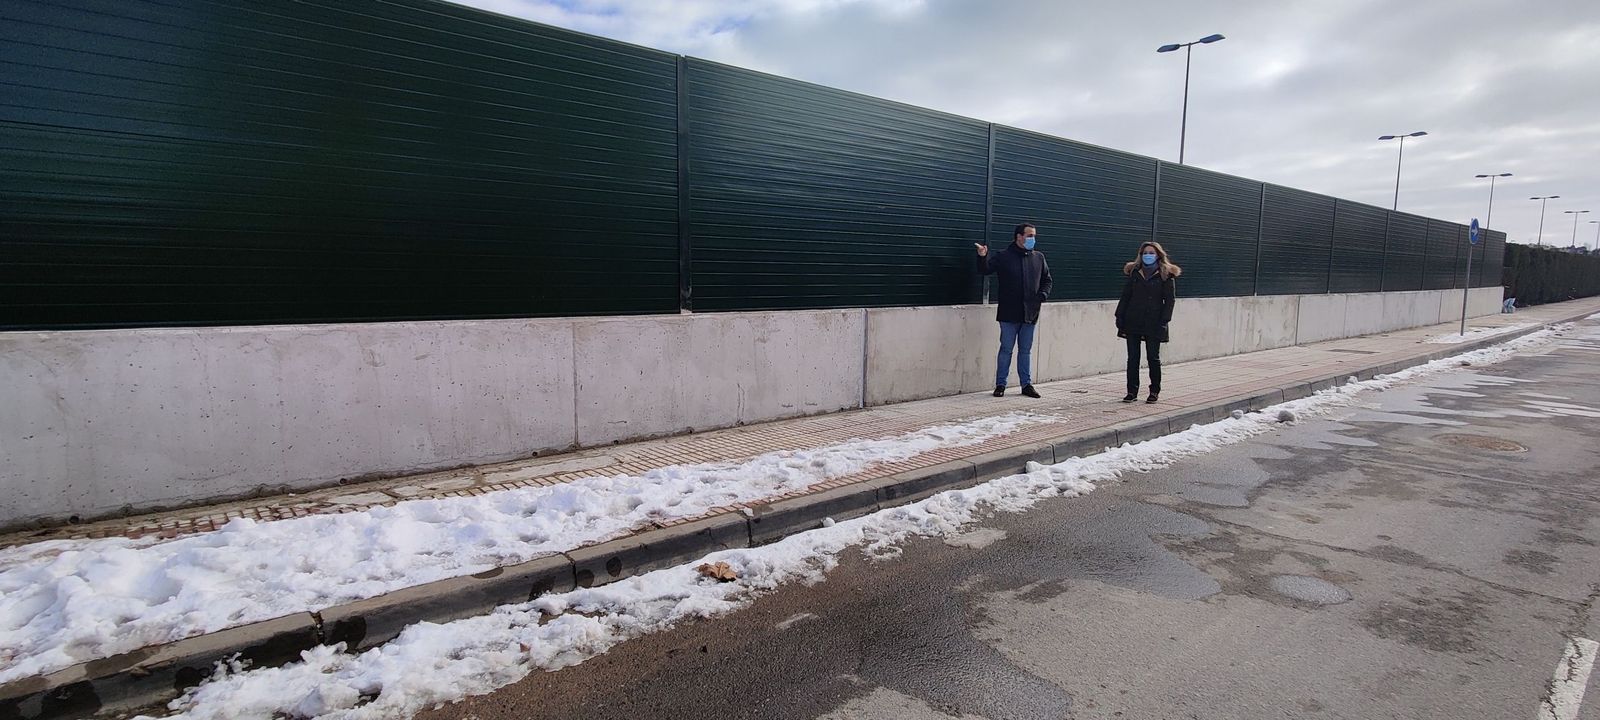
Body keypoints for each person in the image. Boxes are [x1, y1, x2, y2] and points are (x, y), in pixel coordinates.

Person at [976, 223, 1053, 398]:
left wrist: (1042, 295)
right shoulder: (1004, 256)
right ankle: (1000, 384)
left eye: (1034, 236)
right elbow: (985, 270)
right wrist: (982, 256)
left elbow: (1047, 280)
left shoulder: (1038, 258)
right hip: (1009, 313)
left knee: (1025, 350)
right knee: (1006, 349)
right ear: (1019, 236)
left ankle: (1026, 385)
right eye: (1029, 235)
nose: (1032, 239)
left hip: (1030, 312)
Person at [1115, 242, 1180, 404]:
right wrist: (1120, 315)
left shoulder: (1166, 275)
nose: (1148, 255)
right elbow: (1126, 296)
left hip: (1154, 321)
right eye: (1145, 253)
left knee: (1153, 357)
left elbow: (1170, 301)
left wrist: (1164, 320)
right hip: (1133, 320)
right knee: (1133, 358)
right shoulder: (1135, 273)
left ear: (1158, 255)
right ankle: (1131, 391)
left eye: (1151, 252)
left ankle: (1154, 391)